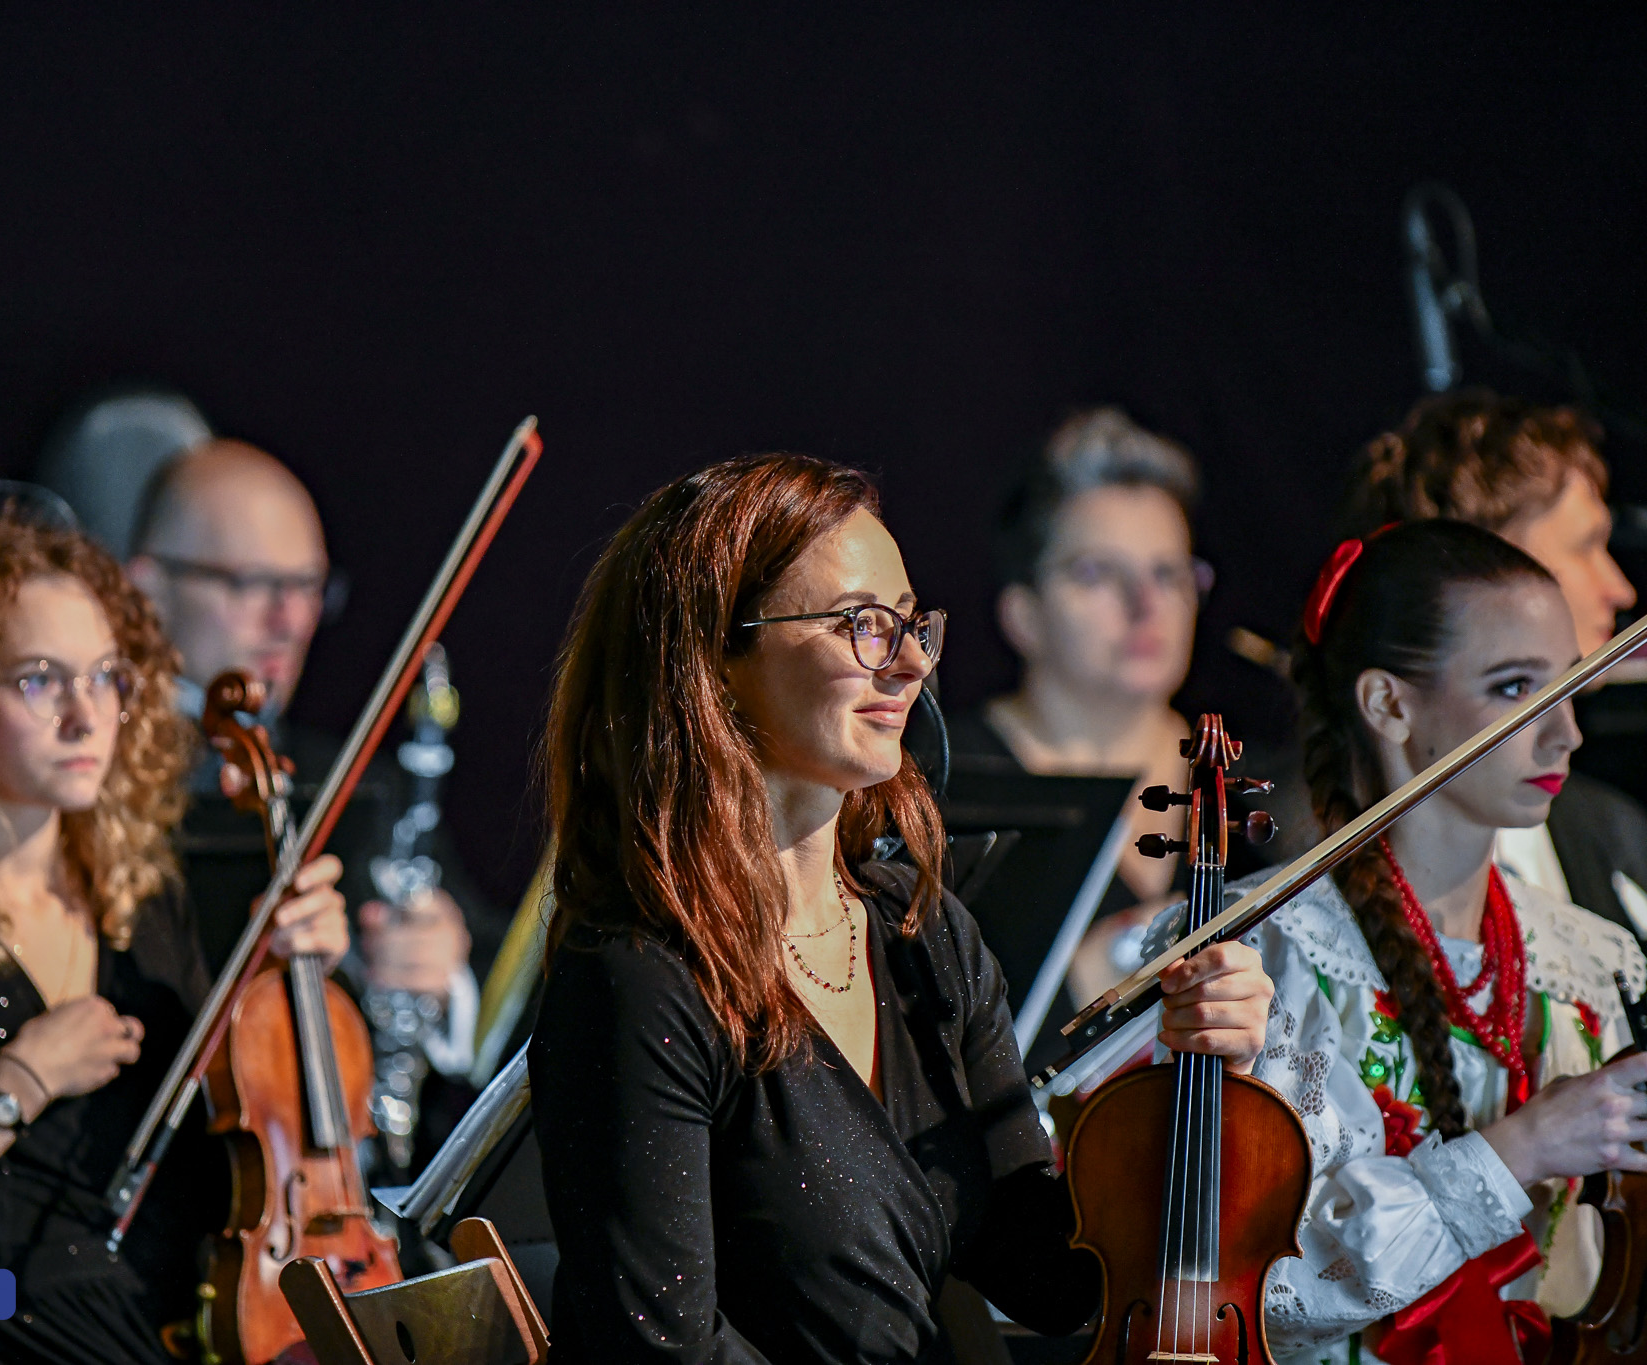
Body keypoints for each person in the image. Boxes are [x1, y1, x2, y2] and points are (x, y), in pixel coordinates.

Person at [528, 454, 1276, 1364]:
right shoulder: (640, 973)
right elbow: (657, 1348)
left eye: (913, 625)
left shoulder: (924, 934)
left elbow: (1054, 1278)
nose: (914, 661)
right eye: (862, 627)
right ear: (715, 653)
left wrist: (1197, 1073)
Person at [0, 513, 347, 1364]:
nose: (85, 715)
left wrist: (281, 987)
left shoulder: (142, 895)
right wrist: (16, 1085)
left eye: (105, 677)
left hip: (164, 1319)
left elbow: (222, 1152)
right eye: (37, 680)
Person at [1142, 519, 1647, 1365]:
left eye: (1569, 687)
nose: (1567, 735)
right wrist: (1523, 1144)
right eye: (1516, 689)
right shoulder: (1266, 952)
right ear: (1389, 704)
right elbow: (1266, 1295)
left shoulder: (1588, 958)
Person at [125, 437, 490, 1170]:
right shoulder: (92, 779)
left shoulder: (358, 779)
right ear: (147, 586)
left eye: (309, 586)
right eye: (252, 583)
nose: (291, 620)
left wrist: (446, 977)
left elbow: (492, 952)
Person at [956, 408, 1244, 1005]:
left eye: (1167, 574)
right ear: (1023, 614)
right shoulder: (944, 792)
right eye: (1096, 573)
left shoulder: (1258, 791)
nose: (1145, 604)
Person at [1340, 390, 1647, 941]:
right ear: (1484, 564)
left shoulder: (1612, 829)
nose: (1619, 588)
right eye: (1586, 546)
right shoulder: (1312, 854)